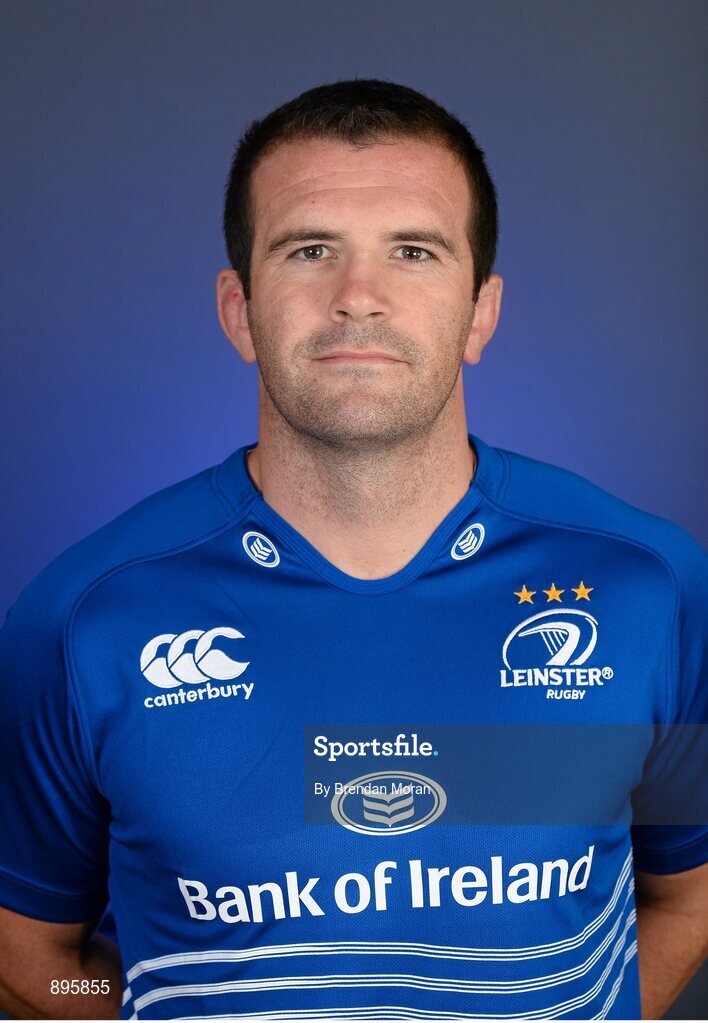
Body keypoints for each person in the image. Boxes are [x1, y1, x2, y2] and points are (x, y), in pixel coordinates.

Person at [0, 79, 705, 1022]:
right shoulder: (81, 619)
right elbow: (30, 949)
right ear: (239, 310)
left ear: (480, 312)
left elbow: (689, 891)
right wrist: (151, 1006)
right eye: (310, 250)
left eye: (413, 251)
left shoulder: (651, 587)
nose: (358, 297)